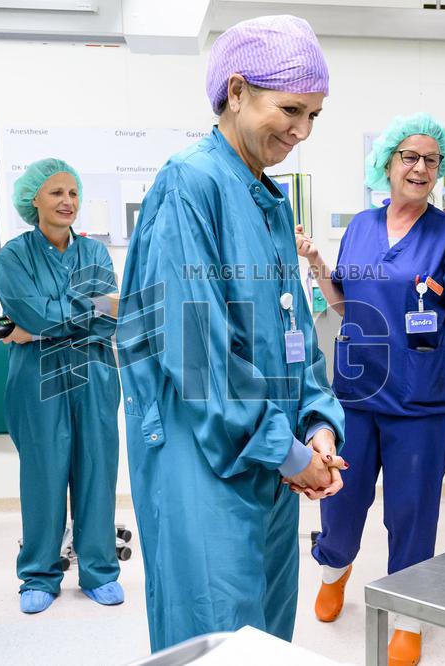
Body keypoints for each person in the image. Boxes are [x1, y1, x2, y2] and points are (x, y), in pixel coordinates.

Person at [117, 15, 345, 653]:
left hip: (271, 457)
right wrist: (294, 455)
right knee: (215, 636)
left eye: (314, 116)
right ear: (237, 91)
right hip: (206, 461)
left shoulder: (266, 199)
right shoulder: (190, 184)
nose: (301, 131)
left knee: (265, 636)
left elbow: (293, 330)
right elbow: (194, 356)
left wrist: (317, 425)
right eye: (291, 109)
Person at [298, 112, 445, 666]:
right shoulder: (361, 225)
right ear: (386, 164)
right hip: (355, 395)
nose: (420, 166)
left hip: (421, 403)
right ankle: (335, 570)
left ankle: (408, 613)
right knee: (340, 501)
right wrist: (318, 266)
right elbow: (345, 307)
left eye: (431, 160)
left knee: (413, 513)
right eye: (409, 156)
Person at [0, 158, 123, 614]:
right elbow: (30, 313)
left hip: (93, 375)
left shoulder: (94, 254)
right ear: (34, 199)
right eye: (57, 193)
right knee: (43, 476)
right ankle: (38, 574)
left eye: (73, 194)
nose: (68, 201)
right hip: (37, 380)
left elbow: (110, 315)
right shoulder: (14, 255)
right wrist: (61, 315)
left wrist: (45, 321)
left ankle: (100, 571)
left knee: (97, 473)